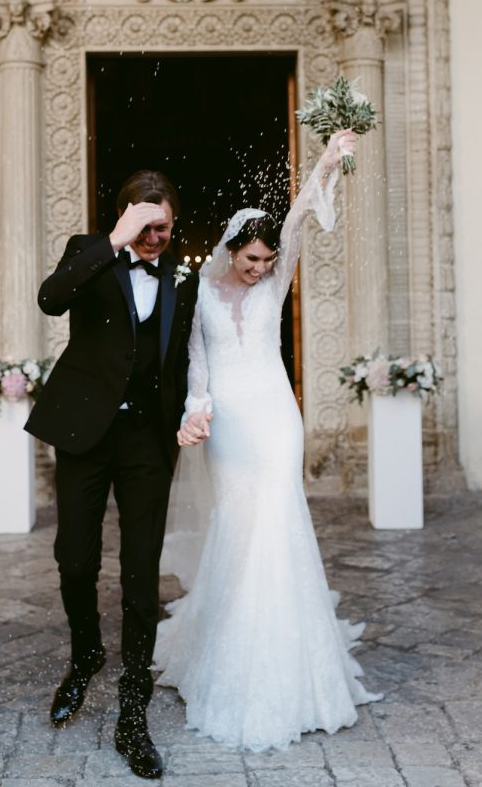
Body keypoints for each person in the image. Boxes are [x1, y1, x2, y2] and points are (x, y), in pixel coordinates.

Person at [153, 129, 381, 752]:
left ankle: (291, 663)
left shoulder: (277, 279)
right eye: (251, 260)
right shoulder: (199, 289)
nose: (261, 269)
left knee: (277, 520)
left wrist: (329, 160)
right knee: (239, 524)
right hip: (227, 420)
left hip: (275, 417)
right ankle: (228, 645)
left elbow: (303, 212)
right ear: (231, 251)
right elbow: (198, 364)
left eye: (267, 261)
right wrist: (196, 412)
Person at [25, 170, 198, 780]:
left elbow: (187, 355)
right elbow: (50, 298)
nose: (156, 237)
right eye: (145, 226)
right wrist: (114, 242)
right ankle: (85, 653)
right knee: (74, 557)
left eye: (164, 227)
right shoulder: (87, 252)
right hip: (83, 434)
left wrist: (195, 411)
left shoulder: (184, 277)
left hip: (147, 441)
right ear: (126, 217)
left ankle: (133, 708)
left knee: (140, 574)